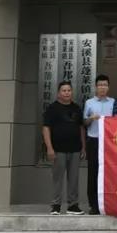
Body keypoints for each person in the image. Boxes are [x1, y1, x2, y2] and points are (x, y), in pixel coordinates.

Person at [42, 80, 85, 215]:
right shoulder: (52, 108)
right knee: (57, 179)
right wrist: (49, 148)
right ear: (59, 93)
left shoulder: (76, 108)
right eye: (64, 90)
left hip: (75, 149)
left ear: (72, 92)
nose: (67, 93)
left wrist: (83, 147)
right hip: (58, 149)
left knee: (74, 179)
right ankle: (56, 205)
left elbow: (81, 128)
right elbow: (46, 128)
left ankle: (73, 205)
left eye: (69, 90)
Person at [82, 74, 114, 215]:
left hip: (109, 142)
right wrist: (91, 118)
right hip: (94, 140)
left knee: (110, 172)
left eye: (105, 85)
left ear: (108, 87)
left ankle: (108, 203)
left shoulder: (113, 102)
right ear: (95, 87)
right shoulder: (89, 103)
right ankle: (93, 205)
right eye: (100, 85)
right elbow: (84, 123)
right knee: (93, 173)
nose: (102, 87)